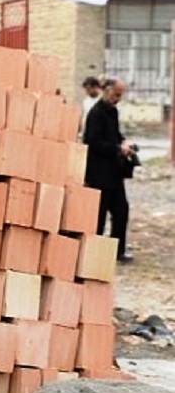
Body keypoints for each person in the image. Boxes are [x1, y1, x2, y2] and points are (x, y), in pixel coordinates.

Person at [83, 77, 137, 263]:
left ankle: (118, 251)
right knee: (98, 216)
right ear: (106, 90)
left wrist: (123, 142)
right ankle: (92, 255)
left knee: (121, 210)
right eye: (116, 94)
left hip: (114, 173)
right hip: (98, 174)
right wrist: (116, 148)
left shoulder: (112, 112)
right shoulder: (95, 113)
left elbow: (115, 135)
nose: (118, 98)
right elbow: (92, 142)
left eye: (120, 95)